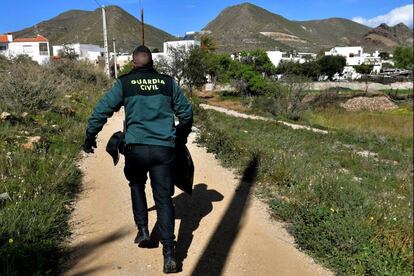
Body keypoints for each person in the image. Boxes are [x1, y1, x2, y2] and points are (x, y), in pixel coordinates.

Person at [82, 45, 193, 274]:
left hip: (135, 149)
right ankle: (169, 254)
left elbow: (102, 110)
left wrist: (90, 135)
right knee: (163, 199)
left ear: (133, 63)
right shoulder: (168, 83)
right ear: (152, 63)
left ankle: (143, 231)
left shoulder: (124, 83)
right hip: (164, 150)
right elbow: (186, 114)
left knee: (136, 185)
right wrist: (178, 138)